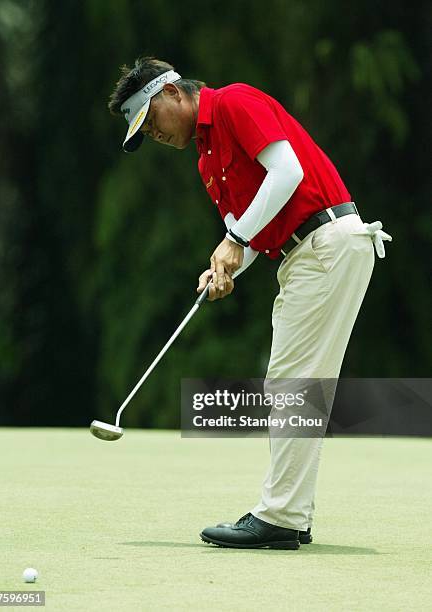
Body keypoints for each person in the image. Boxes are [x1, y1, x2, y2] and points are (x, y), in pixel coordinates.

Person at [108, 57, 392, 550]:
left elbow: (286, 172)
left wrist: (233, 237)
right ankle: (291, 515)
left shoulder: (234, 102)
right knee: (295, 385)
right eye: (143, 132)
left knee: (292, 384)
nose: (153, 133)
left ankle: (280, 516)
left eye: (151, 121)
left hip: (326, 242)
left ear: (173, 93)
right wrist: (226, 266)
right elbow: (256, 234)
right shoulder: (205, 158)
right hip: (306, 254)